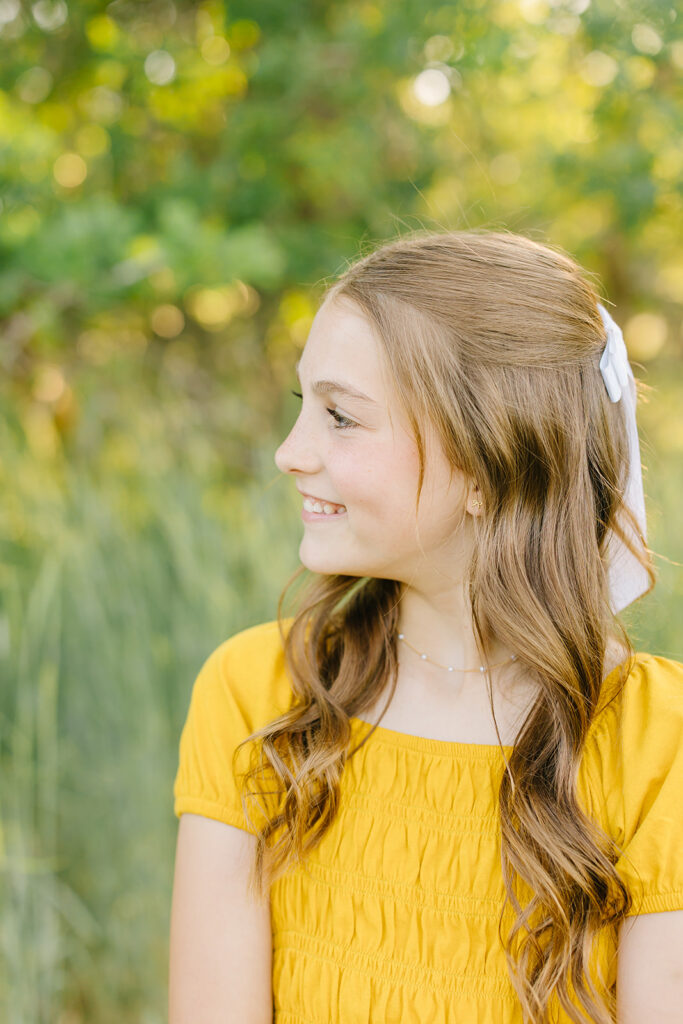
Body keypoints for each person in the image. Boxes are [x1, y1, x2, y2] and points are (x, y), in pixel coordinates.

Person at [168, 230, 683, 1024]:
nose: (289, 452)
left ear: (485, 465)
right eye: (301, 405)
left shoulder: (658, 743)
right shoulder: (258, 695)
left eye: (340, 416)